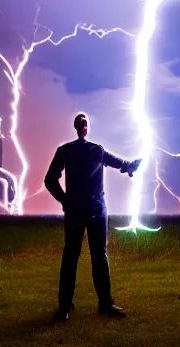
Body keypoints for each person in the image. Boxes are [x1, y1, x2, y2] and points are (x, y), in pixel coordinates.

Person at [44, 113, 142, 321]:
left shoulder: (95, 150)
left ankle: (104, 303)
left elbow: (119, 163)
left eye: (85, 123)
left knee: (98, 256)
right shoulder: (67, 151)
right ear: (76, 127)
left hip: (96, 209)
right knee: (72, 256)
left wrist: (131, 166)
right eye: (81, 123)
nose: (83, 126)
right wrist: (65, 200)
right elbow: (50, 179)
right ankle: (65, 307)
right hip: (80, 209)